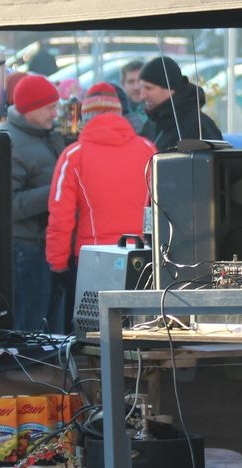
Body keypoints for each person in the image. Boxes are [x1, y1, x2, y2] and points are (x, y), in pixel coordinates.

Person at [46, 83, 156, 329]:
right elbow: (161, 207)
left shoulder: (74, 155)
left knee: (91, 336)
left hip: (91, 261)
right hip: (140, 257)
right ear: (119, 114)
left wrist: (58, 265)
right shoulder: (147, 149)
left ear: (86, 117)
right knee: (136, 334)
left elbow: (60, 217)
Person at [0, 75, 65, 332]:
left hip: (46, 246)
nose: (55, 113)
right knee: (31, 325)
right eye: (50, 107)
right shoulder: (11, 143)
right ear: (29, 108)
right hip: (26, 250)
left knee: (50, 325)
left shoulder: (45, 136)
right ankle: (28, 371)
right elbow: (9, 205)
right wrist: (58, 192)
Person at [139, 56, 223, 151]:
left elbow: (215, 162)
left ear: (170, 89)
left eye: (148, 88)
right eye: (141, 87)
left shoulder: (198, 126)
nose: (142, 95)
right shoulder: (152, 123)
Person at [120, 60, 147, 133]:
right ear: (123, 84)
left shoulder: (158, 110)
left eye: (140, 81)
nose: (136, 87)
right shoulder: (117, 111)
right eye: (131, 82)